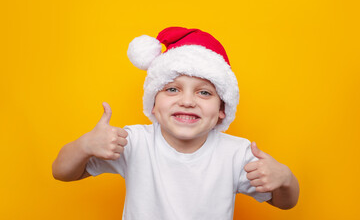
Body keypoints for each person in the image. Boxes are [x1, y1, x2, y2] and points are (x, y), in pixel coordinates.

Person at [52, 27, 299, 219]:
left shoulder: (236, 153)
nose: (187, 101)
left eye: (204, 93)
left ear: (222, 108)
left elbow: (284, 202)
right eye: (172, 89)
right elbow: (61, 172)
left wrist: (285, 179)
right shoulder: (133, 142)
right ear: (153, 105)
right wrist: (84, 146)